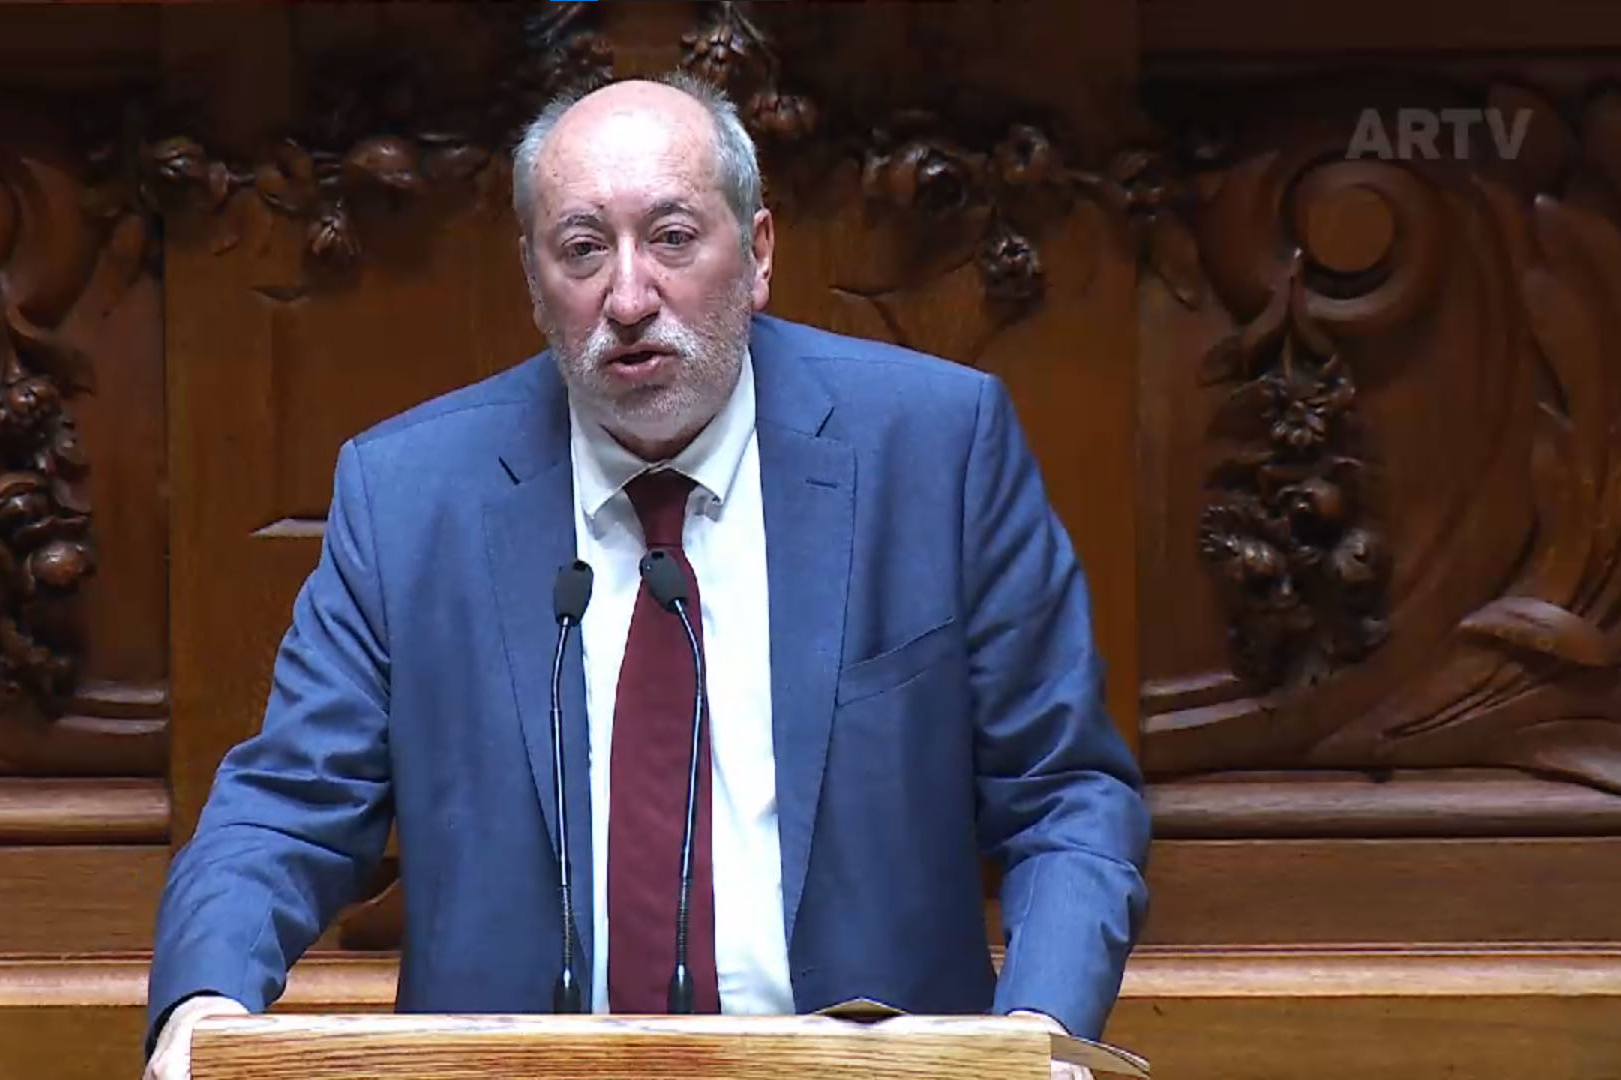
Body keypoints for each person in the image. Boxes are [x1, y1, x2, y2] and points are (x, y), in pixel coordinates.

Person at [141, 73, 1150, 1080]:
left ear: (757, 253)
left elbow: (1064, 795)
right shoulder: (409, 497)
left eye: (672, 238)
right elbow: (287, 804)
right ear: (534, 280)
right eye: (583, 249)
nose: (628, 299)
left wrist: (1041, 1037)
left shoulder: (936, 451)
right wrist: (202, 1011)